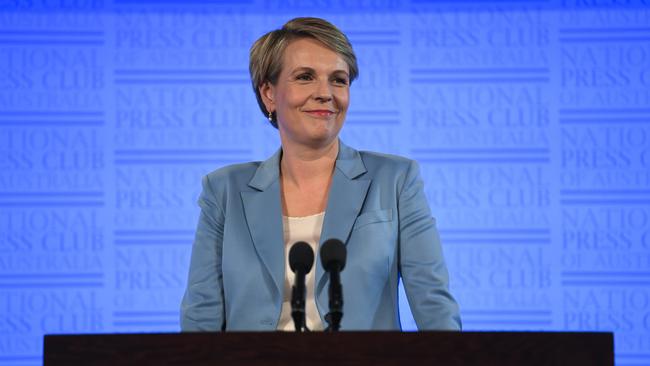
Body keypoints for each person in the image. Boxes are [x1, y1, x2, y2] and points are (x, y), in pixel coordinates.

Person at [180, 17, 461, 331]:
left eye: (338, 80)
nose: (325, 92)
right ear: (268, 93)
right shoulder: (224, 190)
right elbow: (200, 319)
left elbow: (435, 307)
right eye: (305, 77)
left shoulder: (395, 180)